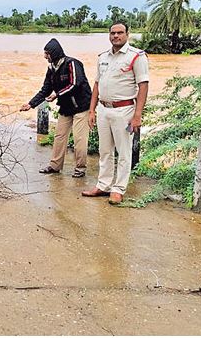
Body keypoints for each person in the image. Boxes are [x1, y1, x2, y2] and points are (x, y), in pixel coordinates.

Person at [81, 23, 149, 205]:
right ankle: (103, 185)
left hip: (124, 110)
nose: (116, 36)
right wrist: (91, 110)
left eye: (120, 33)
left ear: (127, 34)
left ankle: (118, 189)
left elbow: (143, 85)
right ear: (109, 35)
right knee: (105, 151)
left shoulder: (137, 56)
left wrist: (137, 115)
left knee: (124, 152)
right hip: (103, 109)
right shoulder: (102, 57)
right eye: (113, 33)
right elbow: (97, 83)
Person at [20, 39, 92, 178]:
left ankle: (80, 168)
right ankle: (55, 166)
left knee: (79, 139)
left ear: (54, 53)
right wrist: (31, 104)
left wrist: (57, 95)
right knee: (59, 137)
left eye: (47, 53)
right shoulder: (51, 68)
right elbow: (46, 89)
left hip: (81, 107)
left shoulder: (72, 63)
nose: (45, 56)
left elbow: (75, 84)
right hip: (66, 107)